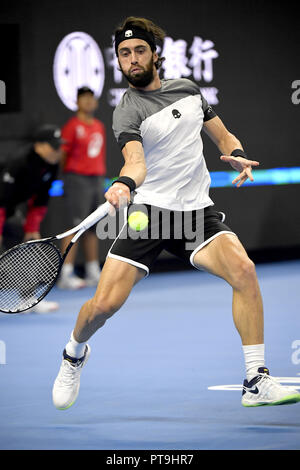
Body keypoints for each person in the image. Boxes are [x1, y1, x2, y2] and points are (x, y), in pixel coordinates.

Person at [52, 17, 300, 409]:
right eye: (123, 54)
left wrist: (235, 154)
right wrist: (124, 182)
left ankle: (255, 379)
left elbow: (223, 135)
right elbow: (135, 162)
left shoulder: (188, 91)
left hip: (196, 213)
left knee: (245, 271)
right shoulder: (126, 111)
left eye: (138, 51)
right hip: (150, 214)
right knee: (101, 308)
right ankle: (73, 352)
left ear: (154, 54)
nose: (131, 60)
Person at [0, 124, 63, 313]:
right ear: (39, 146)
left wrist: (31, 227)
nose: (58, 151)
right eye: (54, 146)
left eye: (59, 146)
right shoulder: (19, 162)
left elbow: (40, 201)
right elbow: (1, 201)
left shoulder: (51, 166)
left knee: (31, 244)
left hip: (11, 209)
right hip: (2, 206)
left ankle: (27, 300)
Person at [58, 86, 106, 290]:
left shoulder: (99, 126)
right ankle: (66, 274)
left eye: (90, 98)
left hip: (97, 179)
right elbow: (62, 156)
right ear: (77, 102)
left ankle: (93, 271)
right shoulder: (71, 126)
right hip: (77, 179)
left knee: (93, 228)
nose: (88, 102)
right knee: (76, 227)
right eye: (83, 99)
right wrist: (68, 176)